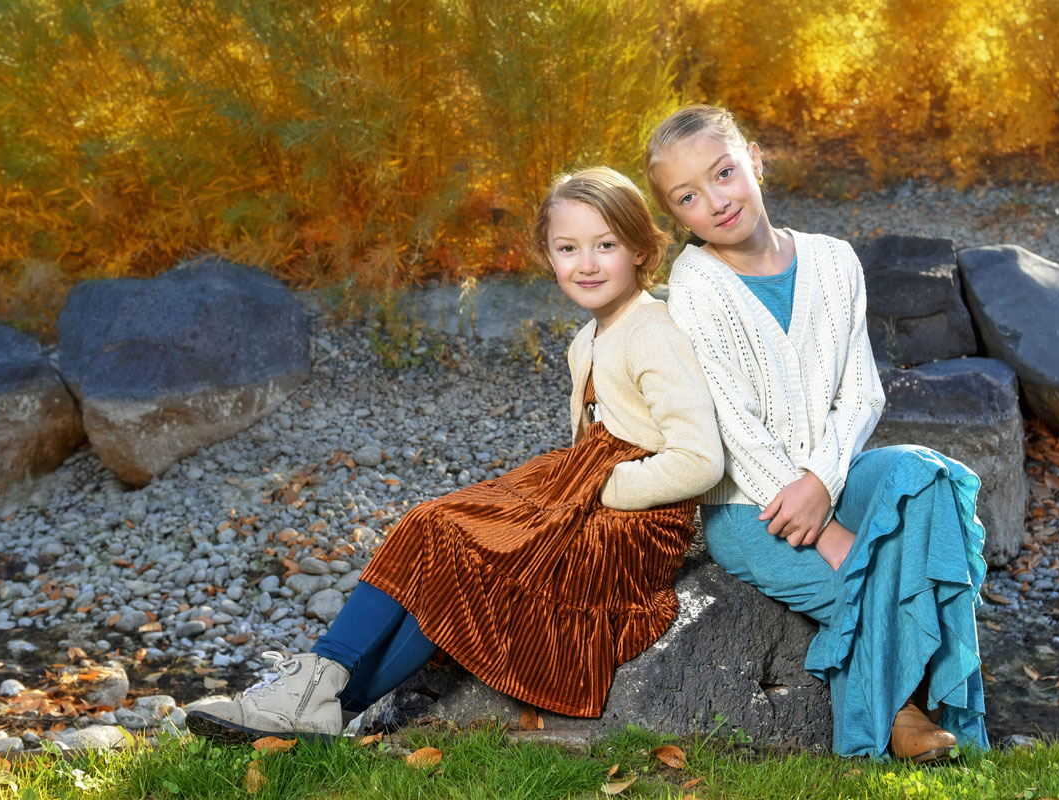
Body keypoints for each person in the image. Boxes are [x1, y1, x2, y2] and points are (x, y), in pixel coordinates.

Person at [187, 167, 724, 743]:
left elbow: (699, 460)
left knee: (451, 543)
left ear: (641, 249)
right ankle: (328, 701)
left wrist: (602, 489)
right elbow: (586, 440)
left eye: (606, 245)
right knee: (437, 533)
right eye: (568, 248)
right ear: (548, 254)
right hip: (581, 496)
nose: (586, 264)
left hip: (627, 529)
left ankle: (326, 696)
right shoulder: (586, 339)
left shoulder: (652, 333)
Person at [643, 105, 988, 762]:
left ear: (755, 161)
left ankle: (931, 705)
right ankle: (900, 712)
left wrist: (824, 487)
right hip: (752, 503)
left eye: (724, 173)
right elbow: (729, 421)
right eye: (689, 196)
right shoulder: (695, 285)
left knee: (925, 475)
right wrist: (822, 526)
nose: (716, 201)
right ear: (676, 214)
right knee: (875, 567)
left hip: (831, 479)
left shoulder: (834, 261)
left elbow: (860, 392)